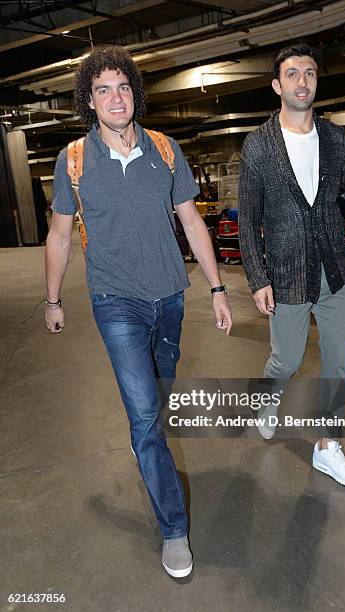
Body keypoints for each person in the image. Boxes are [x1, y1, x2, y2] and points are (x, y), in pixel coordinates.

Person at [45, 45, 232, 578]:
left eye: (122, 86)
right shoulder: (74, 161)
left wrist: (217, 288)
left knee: (158, 396)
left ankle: (145, 440)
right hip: (115, 302)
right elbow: (60, 237)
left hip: (170, 297)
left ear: (135, 93)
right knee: (146, 417)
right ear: (89, 99)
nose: (115, 97)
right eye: (102, 89)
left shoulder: (166, 150)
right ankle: (174, 529)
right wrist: (54, 300)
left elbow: (193, 222)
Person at [238, 43, 345, 487]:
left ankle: (328, 447)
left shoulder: (335, 139)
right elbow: (248, 220)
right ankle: (268, 399)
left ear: (316, 82)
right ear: (278, 86)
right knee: (287, 359)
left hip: (335, 269)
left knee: (338, 362)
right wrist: (258, 279)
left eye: (310, 73)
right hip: (287, 274)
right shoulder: (258, 146)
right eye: (292, 74)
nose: (302, 81)